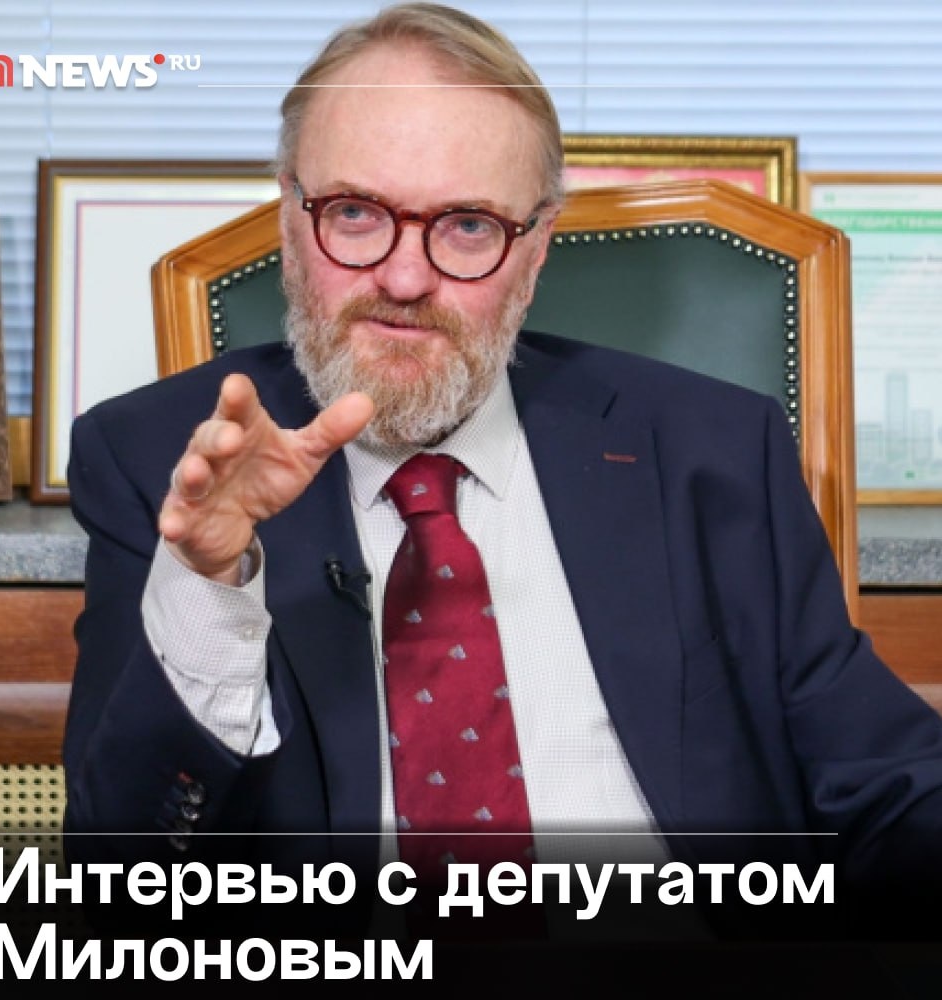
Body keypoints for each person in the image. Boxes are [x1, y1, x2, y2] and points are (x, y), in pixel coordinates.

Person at [63, 1, 942, 960]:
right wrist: (211, 587)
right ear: (288, 213)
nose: (404, 279)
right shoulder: (157, 463)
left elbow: (889, 782)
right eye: (354, 213)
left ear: (536, 244)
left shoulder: (713, 451)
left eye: (468, 225)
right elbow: (124, 889)